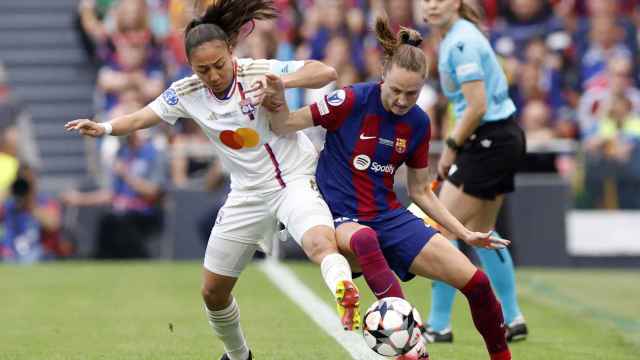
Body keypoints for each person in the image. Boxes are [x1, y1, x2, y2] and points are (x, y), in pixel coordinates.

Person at [65, 1, 360, 359]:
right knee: (212, 292)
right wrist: (106, 127)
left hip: (292, 181)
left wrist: (280, 81)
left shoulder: (256, 71)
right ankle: (239, 356)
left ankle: (344, 289)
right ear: (191, 67)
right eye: (203, 69)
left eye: (219, 65)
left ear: (231, 52)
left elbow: (324, 71)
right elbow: (144, 116)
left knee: (318, 244)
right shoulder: (187, 93)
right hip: (246, 194)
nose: (214, 75)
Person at [266, 15, 512, 360]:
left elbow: (421, 190)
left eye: (411, 93)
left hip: (389, 217)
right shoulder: (349, 101)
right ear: (382, 75)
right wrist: (277, 96)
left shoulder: (419, 123)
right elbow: (286, 125)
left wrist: (464, 233)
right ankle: (413, 347)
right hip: (341, 217)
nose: (401, 100)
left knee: (478, 284)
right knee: (366, 239)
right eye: (395, 90)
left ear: (423, 85)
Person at [420, 0, 527, 342]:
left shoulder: (461, 42)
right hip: (500, 138)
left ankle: (438, 325)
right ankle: (513, 318)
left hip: (488, 141)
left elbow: (477, 105)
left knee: (441, 230)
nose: (432, 4)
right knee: (482, 231)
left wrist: (451, 146)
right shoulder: (458, 35)